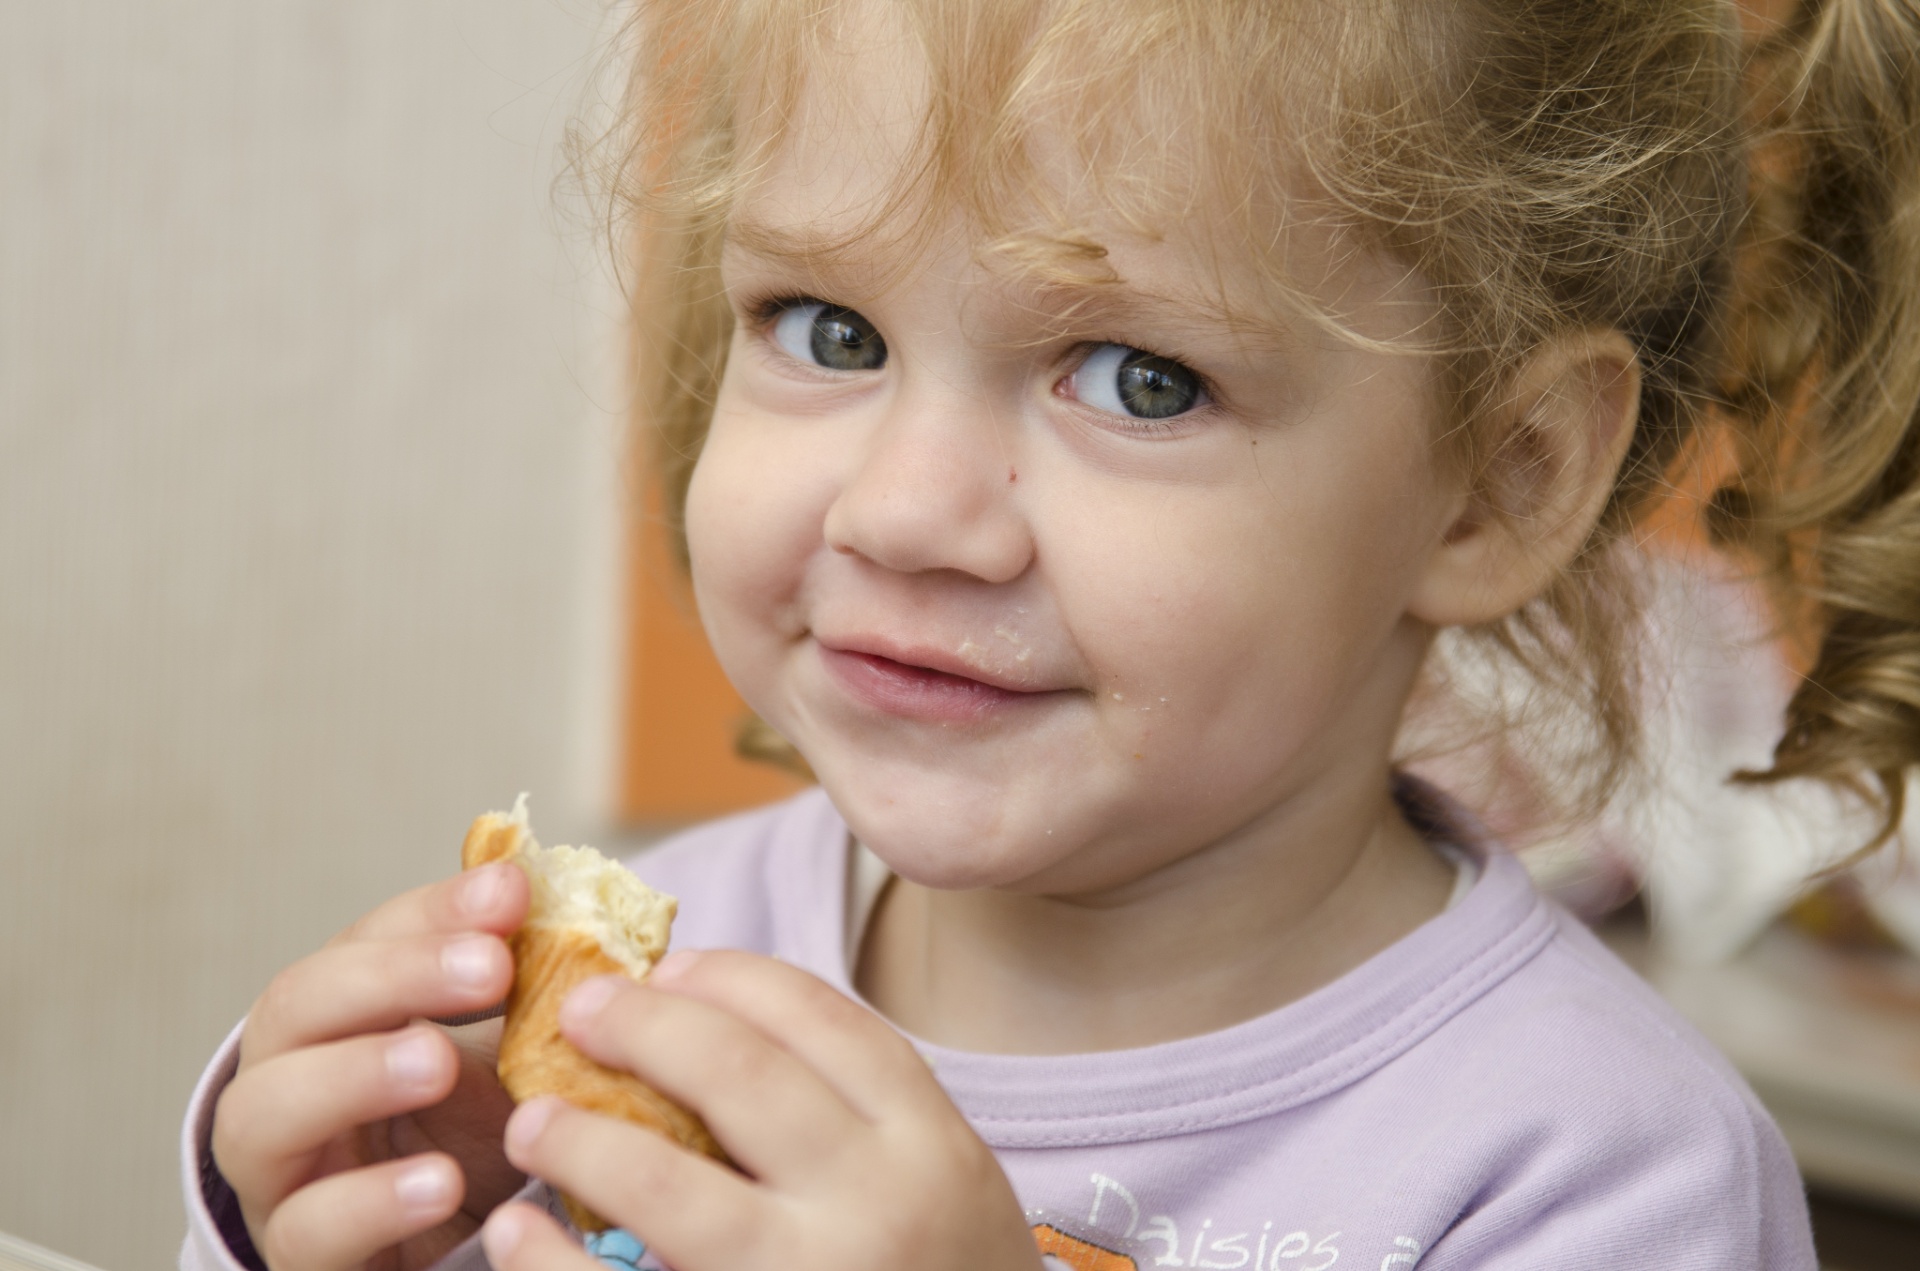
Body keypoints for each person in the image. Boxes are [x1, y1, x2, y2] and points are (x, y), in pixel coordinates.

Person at [181, 0, 1920, 1267]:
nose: (905, 512)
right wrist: (345, 1226)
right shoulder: (666, 973)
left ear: (1496, 482)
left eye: (1139, 378)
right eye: (830, 330)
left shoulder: (1599, 1182)